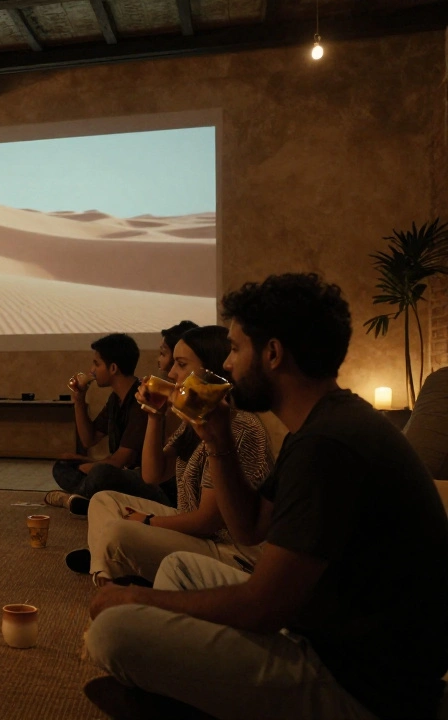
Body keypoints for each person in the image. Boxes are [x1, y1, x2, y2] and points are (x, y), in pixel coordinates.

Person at [84, 273, 448, 719]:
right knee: (180, 567)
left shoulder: (329, 444)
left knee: (115, 633)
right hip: (314, 627)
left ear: (272, 354)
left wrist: (136, 599)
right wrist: (216, 438)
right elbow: (250, 526)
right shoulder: (319, 425)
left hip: (358, 684)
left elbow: (261, 606)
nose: (229, 366)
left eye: (236, 349)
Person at [67, 325, 271, 585]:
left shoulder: (238, 427)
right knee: (104, 501)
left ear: (211, 370)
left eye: (181, 364)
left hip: (226, 550)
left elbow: (207, 522)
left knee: (119, 532)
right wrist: (154, 416)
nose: (170, 372)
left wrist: (149, 522)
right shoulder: (194, 422)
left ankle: (109, 573)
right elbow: (152, 474)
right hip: (197, 534)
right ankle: (111, 571)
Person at [47, 333, 155, 515]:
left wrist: (89, 466)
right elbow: (89, 440)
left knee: (100, 474)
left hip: (139, 477)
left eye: (96, 364)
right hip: (116, 470)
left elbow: (121, 461)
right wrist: (79, 400)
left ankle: (77, 499)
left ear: (113, 368)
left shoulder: (140, 401)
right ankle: (87, 499)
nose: (92, 371)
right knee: (63, 466)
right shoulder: (115, 399)